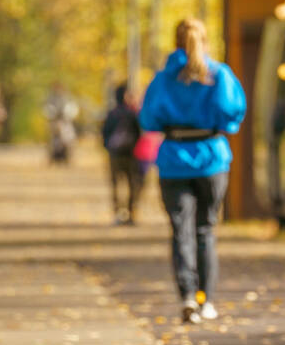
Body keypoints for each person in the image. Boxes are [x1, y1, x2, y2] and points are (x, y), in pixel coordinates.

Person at [139, 18, 246, 324]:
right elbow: (232, 113)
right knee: (205, 230)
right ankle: (207, 300)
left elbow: (148, 120)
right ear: (205, 40)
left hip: (173, 159)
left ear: (175, 42)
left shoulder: (162, 78)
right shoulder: (219, 74)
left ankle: (187, 295)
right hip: (211, 157)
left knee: (180, 231)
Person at [101, 83, 143, 225]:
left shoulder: (112, 113)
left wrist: (107, 146)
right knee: (133, 184)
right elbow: (139, 133)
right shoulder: (132, 114)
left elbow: (104, 133)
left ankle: (118, 213)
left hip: (115, 154)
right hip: (131, 154)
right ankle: (130, 213)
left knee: (116, 185)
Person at [44, 82, 79, 165]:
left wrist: (67, 115)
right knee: (52, 141)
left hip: (65, 122)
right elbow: (47, 110)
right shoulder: (50, 98)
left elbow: (72, 109)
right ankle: (51, 158)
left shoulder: (67, 98)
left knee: (69, 140)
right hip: (54, 122)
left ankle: (68, 158)